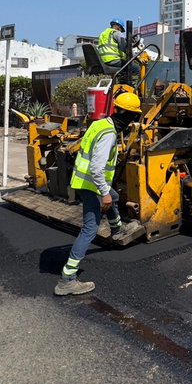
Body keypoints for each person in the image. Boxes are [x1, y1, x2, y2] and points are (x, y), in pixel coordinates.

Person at [56, 91, 144, 296]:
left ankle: (116, 229)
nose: (133, 120)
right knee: (89, 229)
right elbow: (96, 168)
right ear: (127, 114)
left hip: (85, 181)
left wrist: (107, 193)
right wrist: (103, 192)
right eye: (133, 115)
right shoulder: (109, 134)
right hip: (92, 185)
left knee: (113, 196)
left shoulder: (100, 124)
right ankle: (67, 279)